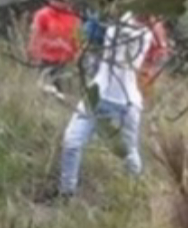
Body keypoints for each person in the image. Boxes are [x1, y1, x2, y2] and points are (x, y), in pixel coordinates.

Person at [57, 12, 155, 197]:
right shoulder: (117, 20)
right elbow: (93, 31)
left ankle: (134, 195)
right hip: (96, 95)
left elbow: (122, 32)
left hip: (126, 104)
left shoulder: (144, 34)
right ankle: (66, 192)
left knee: (129, 154)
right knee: (71, 143)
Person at [28, 0, 80, 96]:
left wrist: (77, 51)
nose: (58, 2)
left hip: (64, 59)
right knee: (45, 87)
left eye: (61, 0)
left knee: (62, 89)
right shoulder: (43, 15)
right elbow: (36, 34)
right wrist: (34, 50)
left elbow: (76, 37)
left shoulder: (72, 18)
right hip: (46, 57)